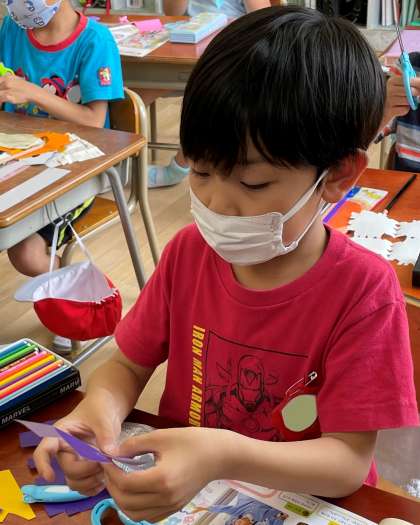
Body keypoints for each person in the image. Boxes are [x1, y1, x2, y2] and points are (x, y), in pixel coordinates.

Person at [33, 7, 419, 524]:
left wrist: (221, 454)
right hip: (190, 501)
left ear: (336, 176)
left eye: (252, 183)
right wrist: (97, 414)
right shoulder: (188, 253)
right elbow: (126, 365)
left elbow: (347, 463)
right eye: (200, 172)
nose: (215, 202)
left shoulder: (364, 291)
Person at [0, 0, 124, 351]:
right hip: (19, 161)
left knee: (26, 253)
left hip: (77, 171)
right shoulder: (12, 30)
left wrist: (33, 93)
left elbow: (94, 120)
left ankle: (72, 295)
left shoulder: (95, 41)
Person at [148, 0, 272, 189]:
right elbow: (171, 12)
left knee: (208, 95)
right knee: (132, 92)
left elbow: (264, 20)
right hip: (186, 48)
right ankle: (119, 159)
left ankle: (178, 167)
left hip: (230, 56)